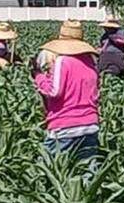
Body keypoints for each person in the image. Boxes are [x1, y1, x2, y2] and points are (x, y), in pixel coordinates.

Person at [32, 20, 101, 177]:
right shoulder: (90, 62)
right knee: (88, 171)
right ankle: (89, 199)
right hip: (90, 124)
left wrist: (39, 77)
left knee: (45, 170)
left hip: (65, 125)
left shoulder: (63, 61)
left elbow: (54, 91)